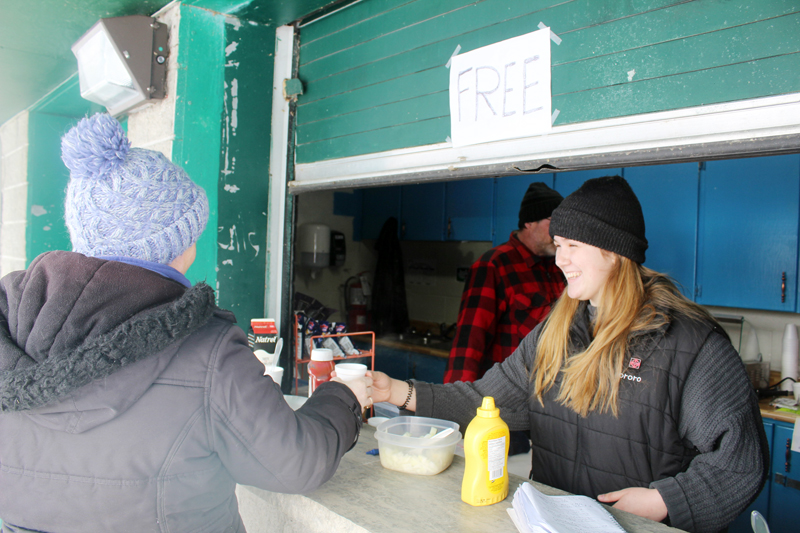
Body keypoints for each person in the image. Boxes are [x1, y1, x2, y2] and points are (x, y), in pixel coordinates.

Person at [0, 113, 371, 532]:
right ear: (179, 243)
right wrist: (343, 397)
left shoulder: (11, 323)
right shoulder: (205, 349)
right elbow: (296, 462)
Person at [372, 176, 769, 533]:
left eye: (574, 246)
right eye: (559, 245)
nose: (561, 259)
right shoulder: (555, 331)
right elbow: (485, 400)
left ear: (614, 252)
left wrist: (665, 501)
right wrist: (396, 392)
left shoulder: (688, 343)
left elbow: (740, 459)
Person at [444, 182, 565, 455]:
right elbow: (469, 341)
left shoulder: (560, 267)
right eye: (553, 223)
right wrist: (453, 412)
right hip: (505, 411)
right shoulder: (494, 265)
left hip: (550, 409)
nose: (560, 234)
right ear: (529, 223)